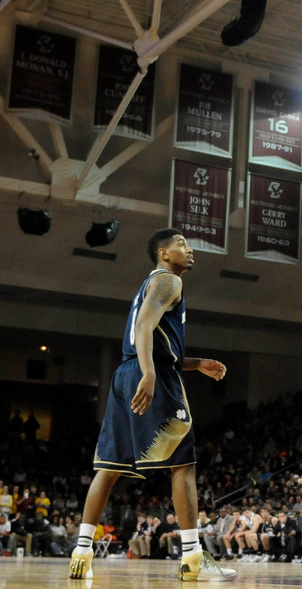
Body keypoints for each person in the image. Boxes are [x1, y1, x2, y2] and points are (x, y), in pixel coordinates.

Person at [67, 228, 235, 582]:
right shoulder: (168, 282)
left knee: (109, 468)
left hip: (125, 373)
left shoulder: (151, 284)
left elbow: (151, 339)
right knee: (184, 465)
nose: (190, 251)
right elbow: (144, 327)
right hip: (147, 373)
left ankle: (81, 552)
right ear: (163, 253)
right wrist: (149, 373)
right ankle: (192, 560)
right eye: (182, 245)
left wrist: (194, 362)